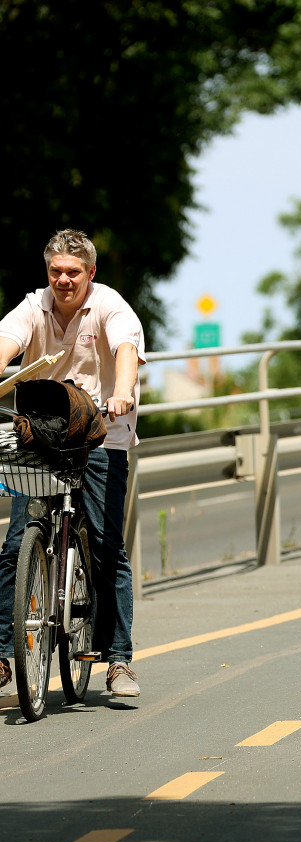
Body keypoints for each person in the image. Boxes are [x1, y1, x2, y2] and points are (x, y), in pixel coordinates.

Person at [0, 229, 145, 699]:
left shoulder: (109, 305)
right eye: (56, 271)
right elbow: (7, 340)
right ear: (48, 272)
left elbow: (126, 350)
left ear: (91, 273)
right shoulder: (33, 304)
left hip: (104, 432)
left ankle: (119, 659)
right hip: (44, 435)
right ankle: (4, 656)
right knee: (16, 543)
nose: (64, 281)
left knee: (106, 545)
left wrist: (122, 391)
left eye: (73, 272)